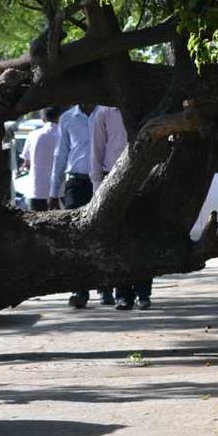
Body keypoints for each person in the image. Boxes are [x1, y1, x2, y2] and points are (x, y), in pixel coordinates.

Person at [90, 105, 153, 311]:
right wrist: (98, 188)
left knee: (142, 238)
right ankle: (123, 294)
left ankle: (143, 293)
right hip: (112, 177)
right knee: (118, 239)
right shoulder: (103, 113)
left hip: (142, 176)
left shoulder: (144, 106)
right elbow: (97, 151)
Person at [49, 103, 97, 308]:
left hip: (103, 179)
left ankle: (106, 287)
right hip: (76, 181)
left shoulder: (107, 113)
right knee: (75, 236)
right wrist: (53, 191)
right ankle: (79, 289)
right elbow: (60, 154)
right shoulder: (68, 118)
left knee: (102, 233)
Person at [20, 108, 61, 211]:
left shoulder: (32, 135)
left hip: (36, 189)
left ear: (43, 118)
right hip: (58, 191)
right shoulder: (64, 135)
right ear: (58, 118)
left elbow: (27, 163)